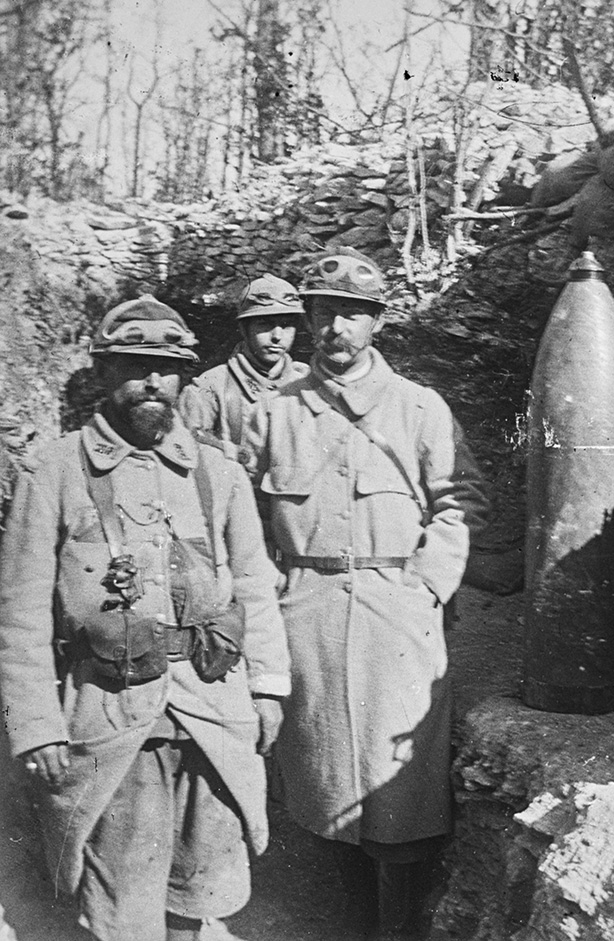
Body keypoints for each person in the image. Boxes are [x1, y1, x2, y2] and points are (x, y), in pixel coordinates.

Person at [0, 296, 290, 941]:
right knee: (120, 907)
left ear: (185, 375)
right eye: (133, 366)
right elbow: (18, 615)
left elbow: (254, 586)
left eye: (165, 367)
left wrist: (268, 687)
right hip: (112, 718)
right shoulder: (53, 473)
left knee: (199, 888)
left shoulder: (219, 473)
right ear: (104, 373)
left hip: (213, 711)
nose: (151, 382)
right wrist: (37, 728)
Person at [244, 248, 487, 939]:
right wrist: (270, 586)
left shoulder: (419, 407)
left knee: (401, 792)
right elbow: (240, 515)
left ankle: (399, 924)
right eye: (323, 313)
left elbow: (460, 501)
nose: (335, 329)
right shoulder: (274, 412)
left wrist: (427, 585)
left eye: (352, 314)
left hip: (396, 612)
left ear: (376, 322)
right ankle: (351, 915)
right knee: (323, 779)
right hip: (307, 608)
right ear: (308, 320)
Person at [180, 274, 310, 458]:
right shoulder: (210, 386)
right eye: (265, 324)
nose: (277, 336)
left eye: (287, 325)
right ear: (244, 328)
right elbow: (186, 444)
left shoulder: (306, 384)